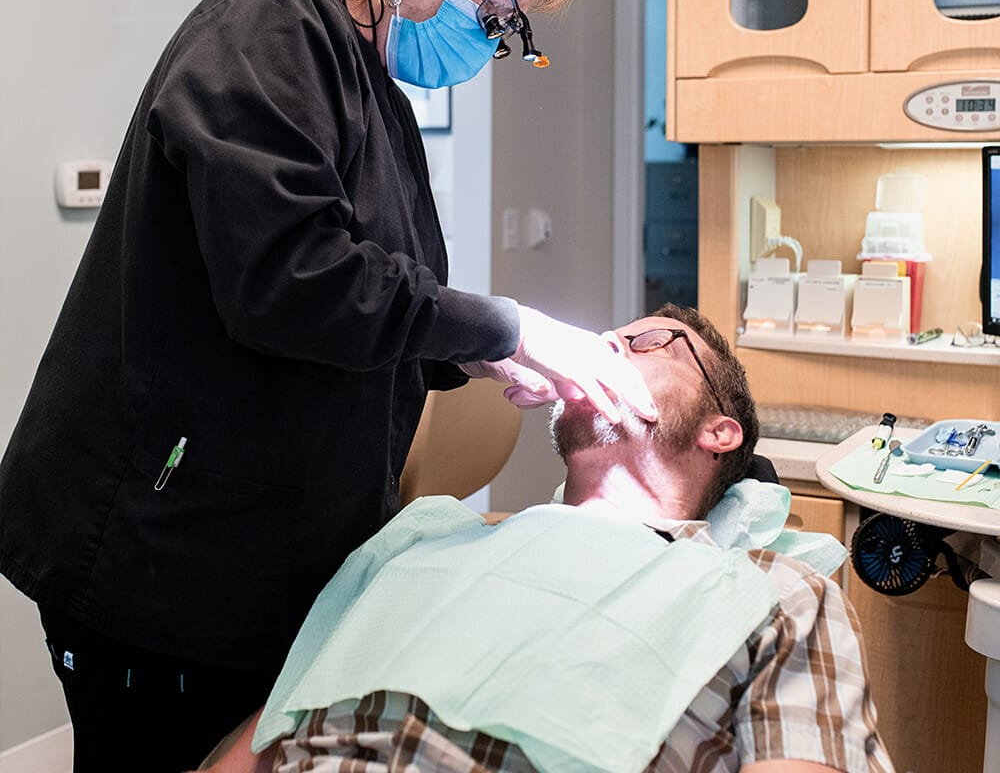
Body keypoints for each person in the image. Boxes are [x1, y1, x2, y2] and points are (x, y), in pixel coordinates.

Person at [0, 0, 658, 773]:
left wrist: (471, 358)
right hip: (159, 542)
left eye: (512, 23)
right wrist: (509, 325)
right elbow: (292, 280)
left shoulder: (375, 98)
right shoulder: (270, 24)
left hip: (260, 548)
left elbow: (376, 293)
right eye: (497, 2)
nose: (496, 34)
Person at [202, 302, 893, 773]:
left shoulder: (774, 594)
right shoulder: (423, 541)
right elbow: (275, 728)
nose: (611, 347)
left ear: (720, 432)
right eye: (607, 340)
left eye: (651, 342)